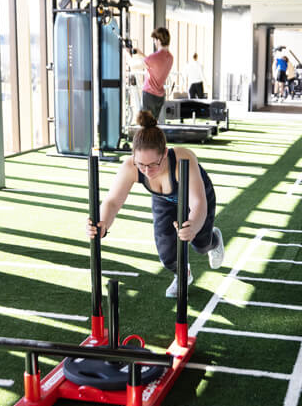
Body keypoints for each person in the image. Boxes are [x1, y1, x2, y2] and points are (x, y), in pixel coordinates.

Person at [86, 110, 225, 298]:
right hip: (164, 200)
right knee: (167, 256)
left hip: (198, 195)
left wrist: (192, 226)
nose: (147, 170)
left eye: (153, 164)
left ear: (165, 154)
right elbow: (112, 202)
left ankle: (214, 240)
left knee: (200, 244)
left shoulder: (184, 160)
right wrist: (102, 224)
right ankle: (183, 273)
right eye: (141, 164)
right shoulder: (131, 167)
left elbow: (198, 203)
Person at [132, 27, 174, 121]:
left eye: (155, 40)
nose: (154, 43)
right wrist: (141, 54)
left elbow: (133, 65)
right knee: (153, 124)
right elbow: (155, 65)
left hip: (149, 94)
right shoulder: (170, 57)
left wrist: (126, 54)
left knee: (146, 125)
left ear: (158, 40)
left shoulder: (154, 57)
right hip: (159, 97)